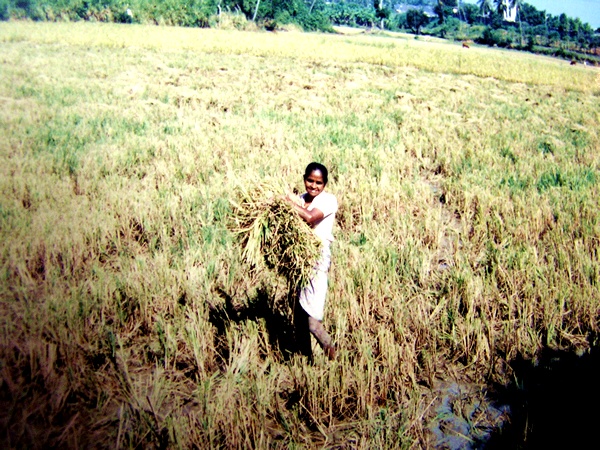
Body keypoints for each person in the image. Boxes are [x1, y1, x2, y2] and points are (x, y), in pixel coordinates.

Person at [286, 162, 338, 360]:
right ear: (304, 179)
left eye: (319, 183)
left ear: (325, 184)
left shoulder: (328, 200)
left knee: (312, 322)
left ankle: (333, 358)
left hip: (316, 260)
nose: (314, 186)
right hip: (298, 260)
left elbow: (309, 218)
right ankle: (305, 360)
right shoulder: (300, 199)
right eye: (310, 181)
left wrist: (286, 202)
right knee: (298, 314)